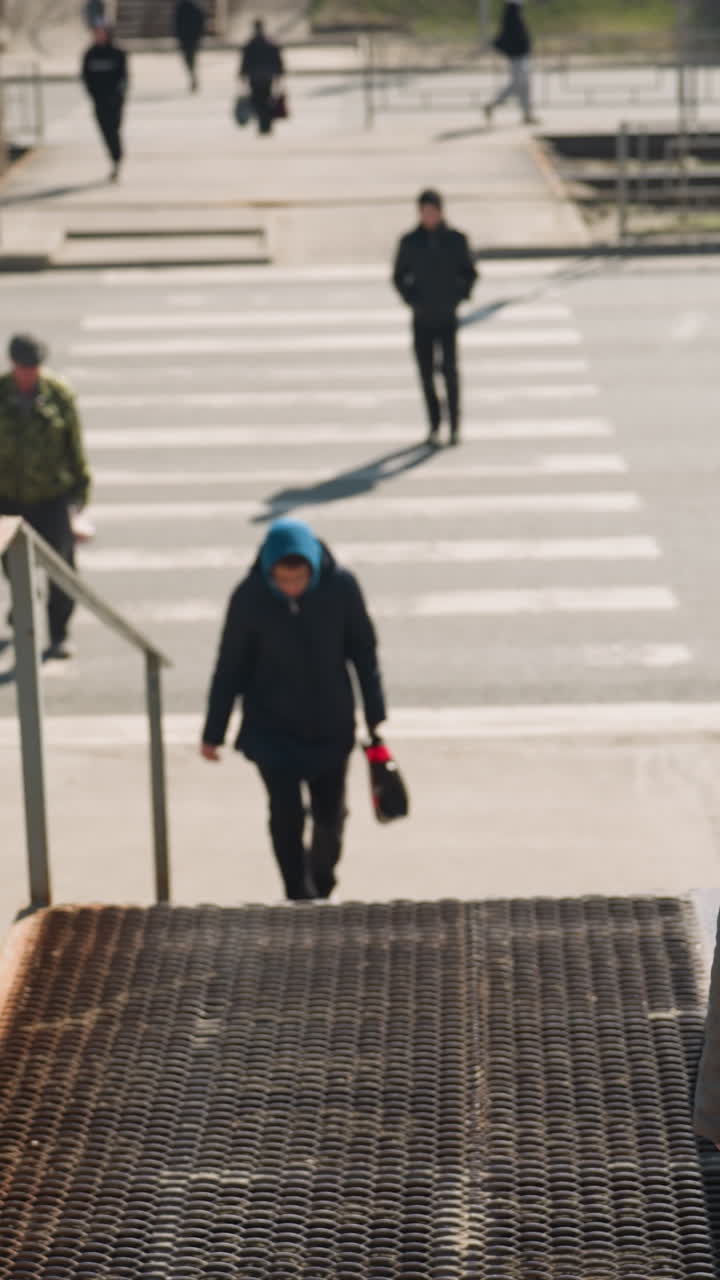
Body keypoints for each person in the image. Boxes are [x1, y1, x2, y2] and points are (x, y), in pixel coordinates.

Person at [201, 518, 387, 901]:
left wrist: (374, 712)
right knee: (284, 816)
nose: (291, 588)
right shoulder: (249, 598)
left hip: (330, 726)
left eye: (299, 578)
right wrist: (213, 732)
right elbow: (230, 667)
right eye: (283, 580)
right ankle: (297, 895)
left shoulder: (342, 589)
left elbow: (363, 653)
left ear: (313, 568)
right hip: (271, 730)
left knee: (329, 816)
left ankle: (321, 880)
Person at [0, 335, 92, 660]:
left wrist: (79, 499)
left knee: (62, 571)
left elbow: (74, 447)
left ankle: (59, 633)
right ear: (14, 365)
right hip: (9, 499)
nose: (30, 373)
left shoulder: (59, 395)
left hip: (51, 497)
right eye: (24, 367)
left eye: (34, 367)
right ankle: (24, 603)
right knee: (14, 566)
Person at [393, 189, 477, 447]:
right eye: (424, 211)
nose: (428, 216)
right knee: (427, 374)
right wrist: (412, 300)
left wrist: (458, 296)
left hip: (447, 317)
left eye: (432, 211)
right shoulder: (410, 241)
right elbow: (398, 276)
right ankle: (434, 425)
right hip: (421, 318)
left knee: (450, 372)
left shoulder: (455, 240)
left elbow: (470, 273)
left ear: (440, 211)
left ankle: (454, 426)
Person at [81, 24, 128, 182]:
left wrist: (119, 95)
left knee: (114, 130)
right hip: (98, 101)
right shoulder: (89, 54)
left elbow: (124, 77)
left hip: (115, 101)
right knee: (105, 131)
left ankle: (117, 158)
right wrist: (93, 94)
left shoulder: (118, 53)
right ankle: (114, 157)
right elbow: (85, 77)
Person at [485, 0, 538, 126]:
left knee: (523, 85)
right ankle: (494, 104)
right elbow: (514, 37)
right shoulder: (512, 17)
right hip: (517, 57)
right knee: (518, 85)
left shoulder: (513, 16)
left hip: (519, 56)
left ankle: (527, 115)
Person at [240, 19, 284, 136]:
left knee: (258, 101)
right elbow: (277, 60)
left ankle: (263, 124)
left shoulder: (250, 44)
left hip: (254, 77)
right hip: (267, 76)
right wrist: (279, 74)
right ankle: (266, 124)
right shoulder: (269, 43)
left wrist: (242, 75)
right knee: (266, 99)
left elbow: (245, 62)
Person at [174, 0, 206, 94]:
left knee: (189, 60)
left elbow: (177, 24)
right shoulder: (192, 8)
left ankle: (193, 77)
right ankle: (193, 77)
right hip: (190, 39)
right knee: (190, 60)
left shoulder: (183, 8)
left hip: (188, 39)